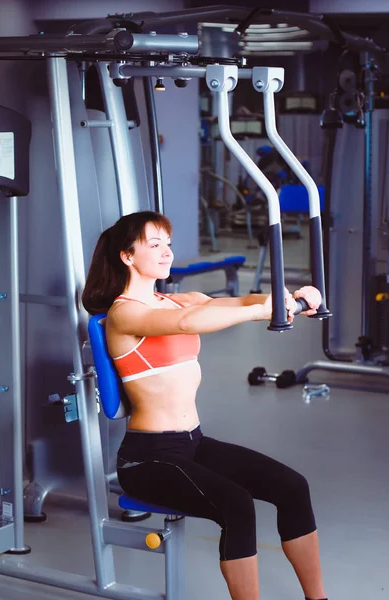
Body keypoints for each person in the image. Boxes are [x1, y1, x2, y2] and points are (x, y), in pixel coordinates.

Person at [82, 211, 328, 600]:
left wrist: (291, 297)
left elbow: (238, 300)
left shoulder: (177, 299)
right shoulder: (123, 312)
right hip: (148, 458)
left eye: (168, 242)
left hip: (193, 444)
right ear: (127, 256)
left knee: (292, 487)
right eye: (154, 244)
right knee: (237, 504)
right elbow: (186, 324)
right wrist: (267, 311)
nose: (166, 251)